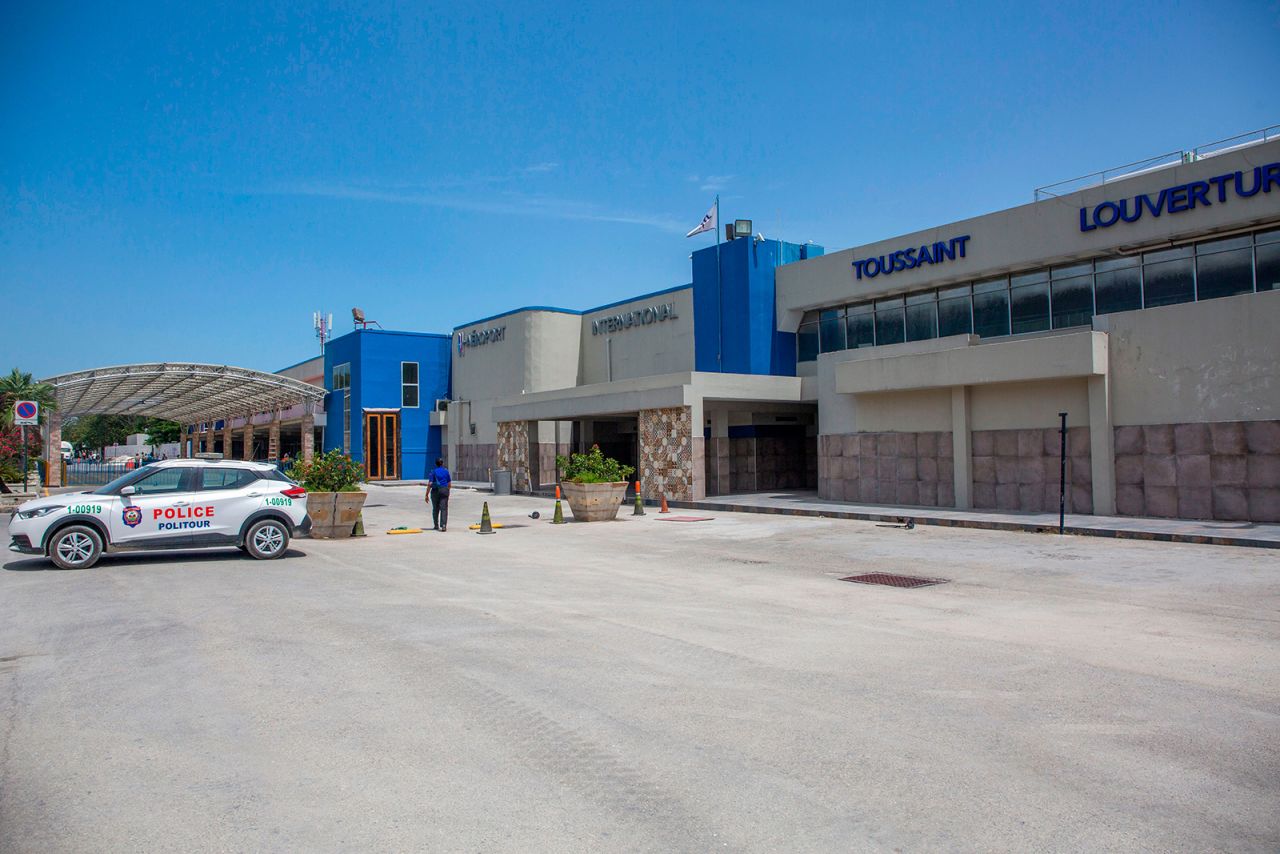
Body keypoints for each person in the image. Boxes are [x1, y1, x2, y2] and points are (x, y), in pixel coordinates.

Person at [427, 457, 451, 532]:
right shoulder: (446, 471)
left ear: (436, 464)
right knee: (444, 508)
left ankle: (436, 525)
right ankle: (444, 525)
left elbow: (430, 484)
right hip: (444, 490)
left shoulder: (433, 472)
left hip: (435, 491)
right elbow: (449, 483)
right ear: (442, 463)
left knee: (435, 508)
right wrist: (447, 491)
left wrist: (426, 494)